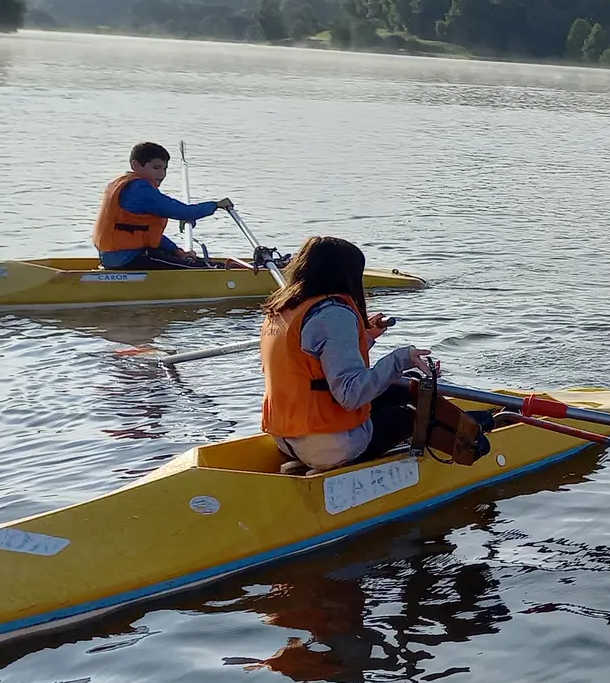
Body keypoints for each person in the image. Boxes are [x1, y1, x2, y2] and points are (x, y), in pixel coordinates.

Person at [261, 236, 431, 472]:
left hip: (285, 438)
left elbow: (315, 365)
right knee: (413, 413)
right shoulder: (334, 315)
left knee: (399, 390)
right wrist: (400, 359)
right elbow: (351, 394)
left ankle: (308, 462)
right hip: (327, 443)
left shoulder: (283, 309)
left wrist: (366, 336)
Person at [93, 142, 234, 270]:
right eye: (156, 168)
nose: (162, 174)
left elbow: (145, 233)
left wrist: (177, 252)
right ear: (135, 165)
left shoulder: (122, 183)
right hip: (128, 259)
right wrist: (215, 205)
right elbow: (184, 212)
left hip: (116, 257)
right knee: (201, 268)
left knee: (195, 262)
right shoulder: (140, 190)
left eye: (165, 169)